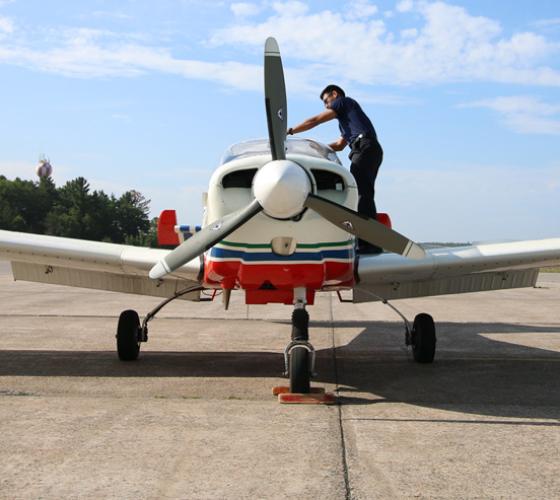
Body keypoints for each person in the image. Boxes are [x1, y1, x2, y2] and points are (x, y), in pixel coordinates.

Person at [287, 85, 383, 254]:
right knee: (363, 194)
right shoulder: (346, 122)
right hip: (366, 149)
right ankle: (369, 241)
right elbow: (339, 146)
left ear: (335, 94)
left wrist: (290, 131)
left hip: (364, 148)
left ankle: (370, 243)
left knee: (362, 195)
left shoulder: (343, 102)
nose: (326, 106)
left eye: (326, 101)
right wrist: (313, 147)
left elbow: (315, 120)